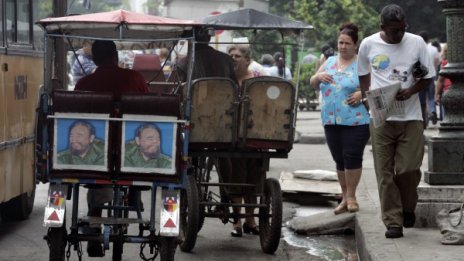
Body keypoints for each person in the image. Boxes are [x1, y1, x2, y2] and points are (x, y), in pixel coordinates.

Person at [357, 4, 435, 239]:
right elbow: (362, 73)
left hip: (410, 117)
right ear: (383, 28)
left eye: (402, 29)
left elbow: (428, 78)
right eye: (394, 31)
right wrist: (365, 96)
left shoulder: (416, 43)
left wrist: (411, 91)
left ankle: (408, 206)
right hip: (381, 118)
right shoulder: (368, 44)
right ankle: (393, 221)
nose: (399, 34)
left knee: (408, 169)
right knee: (385, 173)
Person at [75, 40, 149, 256]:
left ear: (95, 59)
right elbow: (147, 112)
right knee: (134, 163)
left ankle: (94, 223)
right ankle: (135, 193)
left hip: (94, 152)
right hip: (131, 150)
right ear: (116, 56)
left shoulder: (83, 84)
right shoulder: (135, 78)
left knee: (97, 175)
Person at [309, 22, 370, 215]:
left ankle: (351, 196)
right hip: (331, 119)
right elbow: (312, 82)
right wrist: (319, 77)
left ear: (355, 45)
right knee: (339, 159)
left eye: (347, 43)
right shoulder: (329, 62)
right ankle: (344, 197)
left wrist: (362, 94)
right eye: (340, 43)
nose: (343, 47)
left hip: (356, 120)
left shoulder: (362, 63)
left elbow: (375, 85)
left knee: (352, 156)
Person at [220, 44, 266, 237]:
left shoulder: (257, 82)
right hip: (229, 137)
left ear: (247, 60)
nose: (233, 58)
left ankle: (251, 219)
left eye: (237, 56)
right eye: (230, 55)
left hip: (253, 136)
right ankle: (237, 221)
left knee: (254, 178)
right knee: (234, 176)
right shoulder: (224, 81)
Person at [418, 31, 440, 127]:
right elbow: (436, 62)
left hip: (421, 77)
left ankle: (424, 120)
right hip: (431, 76)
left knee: (422, 101)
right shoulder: (434, 49)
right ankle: (433, 111)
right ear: (428, 39)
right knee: (431, 97)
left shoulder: (418, 49)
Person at [435, 43, 452, 120]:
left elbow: (440, 81)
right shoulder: (445, 63)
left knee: (446, 118)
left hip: (447, 92)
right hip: (455, 91)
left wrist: (437, 95)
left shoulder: (445, 63)